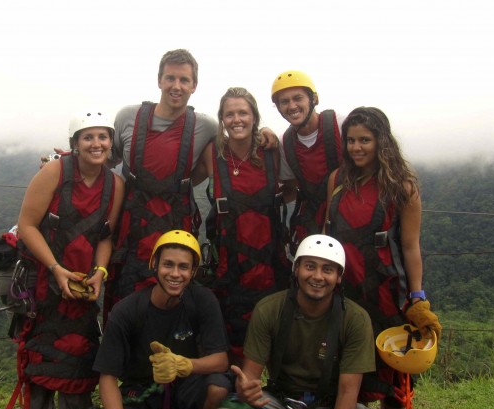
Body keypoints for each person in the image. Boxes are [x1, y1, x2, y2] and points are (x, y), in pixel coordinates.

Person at [104, 49, 278, 315]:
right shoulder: (128, 117)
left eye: (184, 80)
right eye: (170, 78)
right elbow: (107, 158)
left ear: (194, 85)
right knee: (126, 298)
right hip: (131, 225)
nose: (177, 86)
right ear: (159, 80)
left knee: (174, 296)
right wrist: (66, 162)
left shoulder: (205, 126)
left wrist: (265, 132)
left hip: (177, 221)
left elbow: (234, 143)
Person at [216, 235, 403, 409]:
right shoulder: (270, 309)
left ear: (339, 277)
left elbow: (348, 392)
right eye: (310, 266)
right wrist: (245, 391)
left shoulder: (354, 319)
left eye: (328, 269)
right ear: (296, 270)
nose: (317, 276)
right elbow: (251, 377)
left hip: (332, 405)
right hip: (282, 401)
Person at [325, 106, 442, 409]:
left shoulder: (401, 187)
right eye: (350, 140)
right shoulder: (337, 180)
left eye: (365, 140)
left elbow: (410, 247)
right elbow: (327, 232)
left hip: (387, 290)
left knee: (395, 364)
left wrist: (417, 297)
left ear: (381, 142)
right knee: (343, 360)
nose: (356, 147)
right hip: (344, 289)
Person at [15, 111, 124, 409]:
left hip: (81, 280)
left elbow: (106, 235)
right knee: (42, 349)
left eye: (102, 137)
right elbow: (28, 224)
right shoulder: (55, 172)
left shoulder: (115, 185)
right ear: (75, 144)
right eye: (87, 137)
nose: (96, 144)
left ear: (111, 143)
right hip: (45, 277)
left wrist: (101, 273)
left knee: (78, 350)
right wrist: (55, 269)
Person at [83, 230, 231, 409]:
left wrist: (184, 364)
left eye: (184, 267)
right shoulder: (127, 311)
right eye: (168, 265)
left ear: (193, 271)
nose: (175, 274)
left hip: (185, 384)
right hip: (142, 389)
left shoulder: (203, 300)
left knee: (218, 387)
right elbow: (107, 377)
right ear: (154, 265)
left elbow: (221, 360)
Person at [205, 87, 290, 364]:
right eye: (229, 114)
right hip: (230, 271)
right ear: (221, 119)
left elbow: (295, 188)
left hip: (271, 267)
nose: (236, 119)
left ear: (254, 116)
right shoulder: (212, 154)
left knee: (278, 345)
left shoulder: (271, 151)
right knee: (233, 351)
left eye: (243, 112)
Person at [271, 70, 343, 255]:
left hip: (348, 213)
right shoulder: (285, 144)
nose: (292, 106)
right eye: (284, 102)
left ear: (314, 99)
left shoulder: (341, 126)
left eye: (298, 98)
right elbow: (292, 188)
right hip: (312, 217)